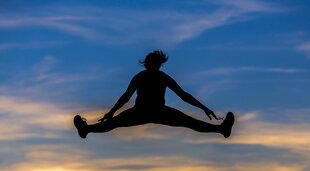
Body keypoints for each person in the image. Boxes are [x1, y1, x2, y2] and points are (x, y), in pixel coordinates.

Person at [74, 50, 234, 139]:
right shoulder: (142, 77)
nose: (154, 65)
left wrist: (204, 108)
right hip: (143, 111)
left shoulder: (159, 77)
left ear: (158, 64)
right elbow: (126, 96)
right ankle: (86, 129)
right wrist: (111, 112)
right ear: (149, 63)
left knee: (190, 123)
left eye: (156, 63)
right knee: (113, 123)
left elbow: (183, 95)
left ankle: (222, 129)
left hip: (156, 111)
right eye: (152, 63)